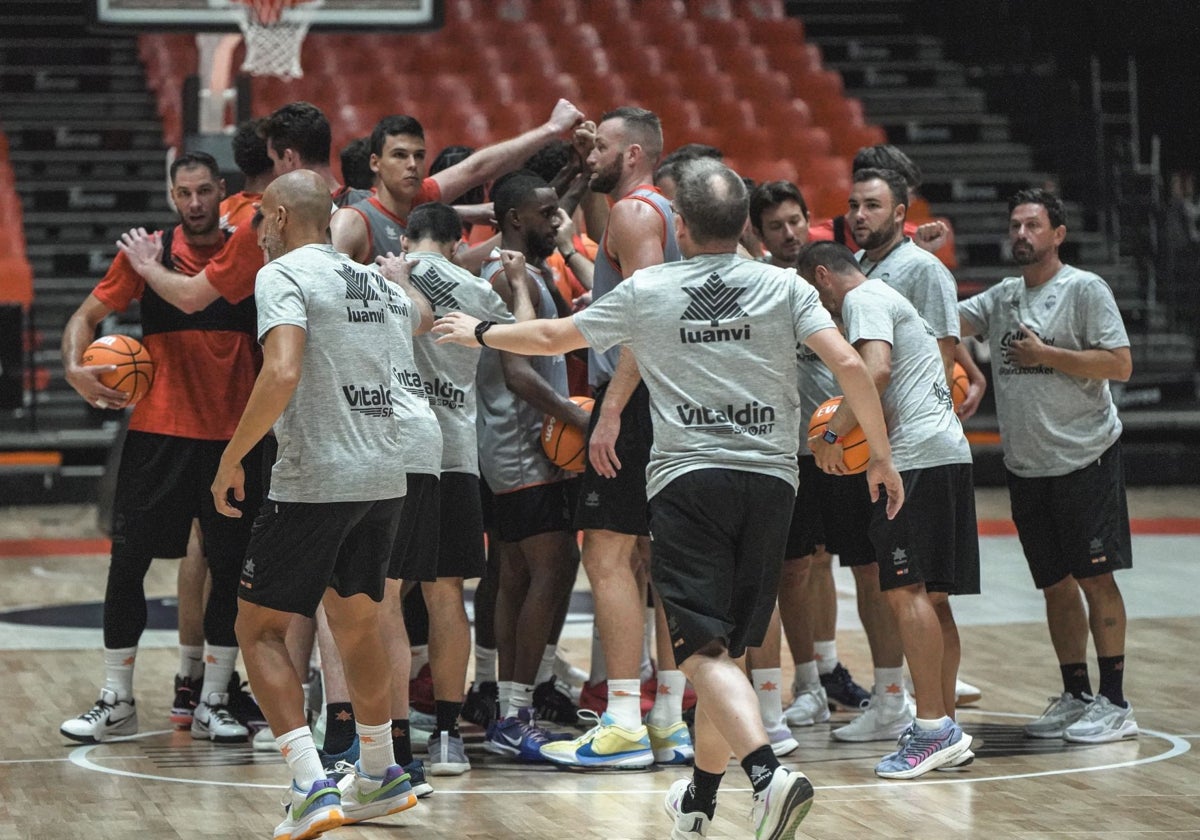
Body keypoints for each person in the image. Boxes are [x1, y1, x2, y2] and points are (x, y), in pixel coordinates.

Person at [434, 158, 904, 839]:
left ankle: (768, 777)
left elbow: (550, 337)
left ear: (680, 226)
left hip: (690, 482)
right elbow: (854, 367)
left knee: (700, 654)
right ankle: (701, 801)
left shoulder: (649, 287)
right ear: (743, 224)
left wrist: (477, 331)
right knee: (724, 657)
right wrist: (880, 458)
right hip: (773, 482)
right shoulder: (782, 284)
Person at [215, 169, 430, 840]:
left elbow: (281, 371)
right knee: (358, 624)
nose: (256, 232)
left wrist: (232, 457)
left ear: (278, 216)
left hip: (317, 476)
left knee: (258, 631)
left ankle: (309, 785)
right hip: (386, 473)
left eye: (258, 220)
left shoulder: (282, 276)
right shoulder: (374, 280)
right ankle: (379, 772)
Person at [59, 152, 262, 746]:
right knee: (128, 565)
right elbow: (85, 314)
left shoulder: (247, 251)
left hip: (233, 438)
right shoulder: (144, 252)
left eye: (204, 191)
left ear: (222, 191)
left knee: (229, 570)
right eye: (183, 193)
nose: (194, 203)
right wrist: (75, 366)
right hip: (159, 433)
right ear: (172, 196)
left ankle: (215, 700)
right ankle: (116, 698)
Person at [540, 106, 689, 770]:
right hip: (669, 398)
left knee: (605, 556)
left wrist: (609, 413)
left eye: (599, 147)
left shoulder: (634, 214)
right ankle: (667, 719)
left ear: (633, 154)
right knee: (653, 563)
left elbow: (649, 320)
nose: (589, 155)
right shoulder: (659, 212)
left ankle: (625, 720)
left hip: (637, 399)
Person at [958, 188, 1137, 744]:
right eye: (1015, 226)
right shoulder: (1003, 298)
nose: (1021, 235)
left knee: (1095, 578)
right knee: (1055, 585)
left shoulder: (1084, 289)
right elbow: (942, 320)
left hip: (1085, 457)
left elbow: (1121, 364)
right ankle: (1075, 693)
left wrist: (1048, 356)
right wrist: (925, 256)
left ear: (1057, 234)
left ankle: (1115, 701)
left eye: (1032, 225)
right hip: (1027, 466)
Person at [801, 240, 979, 777]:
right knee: (936, 599)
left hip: (916, 459)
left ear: (823, 277)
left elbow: (872, 371)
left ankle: (931, 729)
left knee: (906, 591)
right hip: (950, 453)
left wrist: (834, 433)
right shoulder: (892, 298)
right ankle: (944, 727)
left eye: (813, 294)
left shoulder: (863, 301)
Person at [749, 180, 876, 728]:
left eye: (796, 220)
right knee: (794, 568)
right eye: (776, 225)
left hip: (844, 440)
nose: (789, 233)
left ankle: (835, 671)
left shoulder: (838, 281)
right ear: (758, 232)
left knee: (852, 565)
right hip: (793, 446)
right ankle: (807, 681)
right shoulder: (758, 284)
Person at [475, 171, 587, 761]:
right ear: (516, 219)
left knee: (516, 572)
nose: (558, 219)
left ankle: (505, 706)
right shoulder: (503, 277)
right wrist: (577, 419)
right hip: (523, 445)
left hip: (514, 446)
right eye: (547, 212)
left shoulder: (531, 270)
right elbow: (518, 371)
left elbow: (550, 204)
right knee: (552, 563)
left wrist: (580, 172)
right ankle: (515, 711)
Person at [403, 201, 516, 775]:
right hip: (454, 455)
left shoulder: (383, 277)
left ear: (407, 239)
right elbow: (519, 340)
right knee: (445, 594)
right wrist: (517, 284)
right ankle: (447, 735)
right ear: (455, 242)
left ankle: (379, 732)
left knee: (376, 596)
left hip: (393, 453)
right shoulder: (476, 290)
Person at [331, 101, 586, 264]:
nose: (412, 164)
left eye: (419, 156)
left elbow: (477, 168)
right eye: (399, 155)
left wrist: (555, 133)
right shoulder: (354, 219)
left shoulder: (422, 205)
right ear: (375, 163)